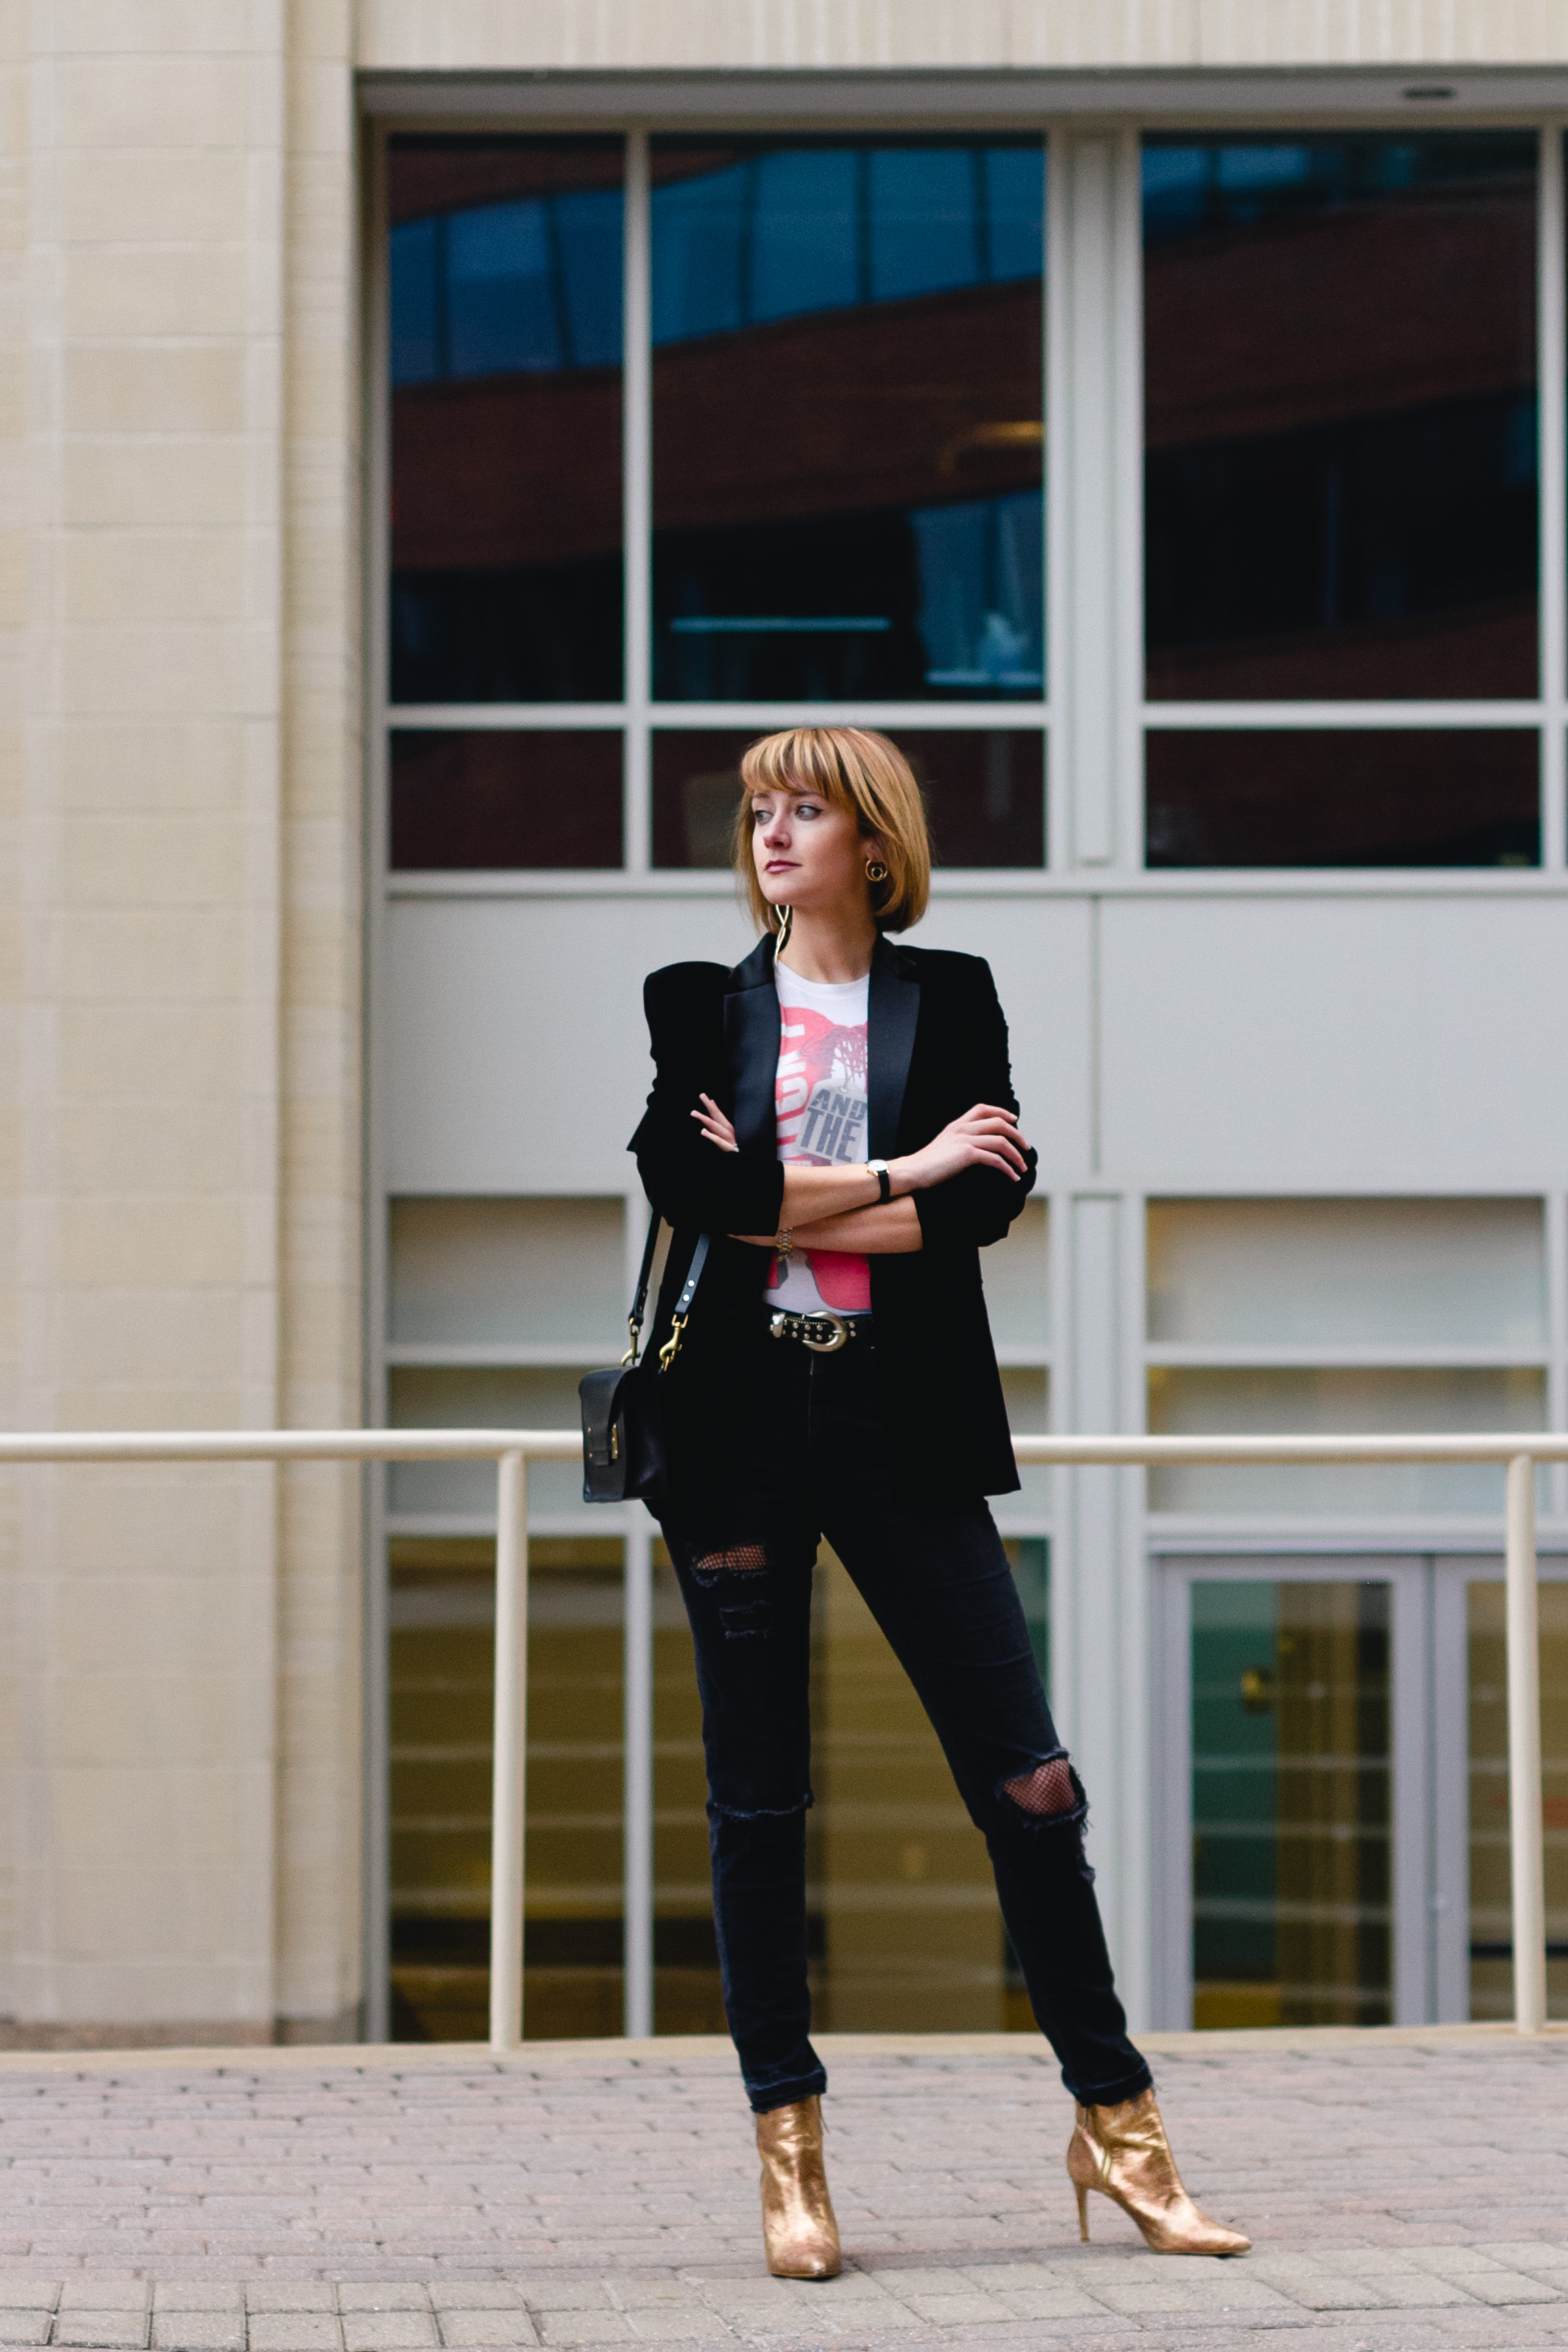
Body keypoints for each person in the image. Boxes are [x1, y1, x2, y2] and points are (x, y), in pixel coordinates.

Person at [629, 726, 1250, 2274]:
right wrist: (906, 1167)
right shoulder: (699, 1006)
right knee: (758, 1802)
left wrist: (820, 1196)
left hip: (900, 1423)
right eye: (760, 811)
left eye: (805, 812)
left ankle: (1119, 2129)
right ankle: (790, 2155)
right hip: (738, 1427)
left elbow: (995, 1198)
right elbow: (695, 1197)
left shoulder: (947, 992)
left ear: (874, 843)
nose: (772, 833)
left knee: (1032, 1783)